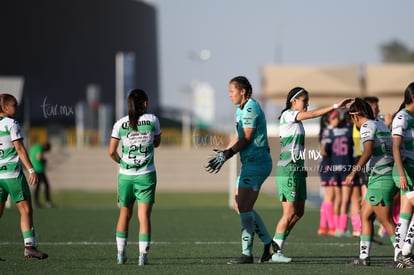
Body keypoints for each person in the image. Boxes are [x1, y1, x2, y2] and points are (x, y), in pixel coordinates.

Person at [272, 87, 352, 262]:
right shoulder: (288, 115)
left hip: (297, 170)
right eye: (304, 100)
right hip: (287, 170)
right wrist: (335, 106)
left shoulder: (297, 122)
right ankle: (275, 251)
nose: (306, 103)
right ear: (294, 101)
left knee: (299, 212)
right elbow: (313, 114)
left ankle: (275, 244)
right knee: (288, 212)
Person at [205, 76, 275, 264]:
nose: (229, 95)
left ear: (242, 91)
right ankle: (269, 244)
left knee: (244, 206)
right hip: (249, 163)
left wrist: (227, 155)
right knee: (241, 206)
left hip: (258, 163)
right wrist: (223, 154)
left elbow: (247, 138)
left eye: (231, 91)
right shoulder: (240, 110)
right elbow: (237, 136)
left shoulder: (251, 108)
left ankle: (247, 254)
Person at [108, 89, 161, 266]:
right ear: (144, 103)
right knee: (144, 217)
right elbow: (157, 143)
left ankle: (120, 255)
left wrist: (121, 162)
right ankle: (142, 257)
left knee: (124, 215)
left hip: (125, 175)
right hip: (146, 175)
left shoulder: (120, 124)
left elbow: (111, 152)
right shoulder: (153, 120)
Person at [345, 98, 398, 266]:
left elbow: (367, 152)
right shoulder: (380, 124)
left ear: (355, 116)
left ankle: (403, 255)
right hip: (382, 176)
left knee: (386, 221)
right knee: (365, 215)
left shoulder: (367, 126)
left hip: (381, 178)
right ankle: (363, 256)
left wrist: (353, 173)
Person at [0, 93, 48, 259]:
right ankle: (29, 247)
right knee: (26, 210)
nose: (16, 107)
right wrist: (32, 170)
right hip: (12, 175)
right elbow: (19, 148)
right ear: (4, 107)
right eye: (13, 105)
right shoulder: (11, 123)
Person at [391, 82, 414, 268]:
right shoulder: (402, 117)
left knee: (405, 214)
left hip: (411, 169)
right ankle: (406, 250)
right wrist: (401, 174)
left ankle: (399, 255)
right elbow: (395, 148)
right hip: (405, 170)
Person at [317, 111, 336, 236]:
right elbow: (323, 151)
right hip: (328, 166)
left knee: (328, 197)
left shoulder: (330, 131)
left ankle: (323, 226)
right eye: (334, 117)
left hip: (328, 166)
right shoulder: (329, 131)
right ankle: (331, 226)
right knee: (330, 196)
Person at [29, 141, 53, 208]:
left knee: (38, 186)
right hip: (39, 170)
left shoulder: (34, 147)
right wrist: (44, 160)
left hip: (34, 169)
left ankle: (36, 202)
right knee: (46, 185)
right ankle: (47, 202)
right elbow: (38, 157)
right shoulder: (40, 148)